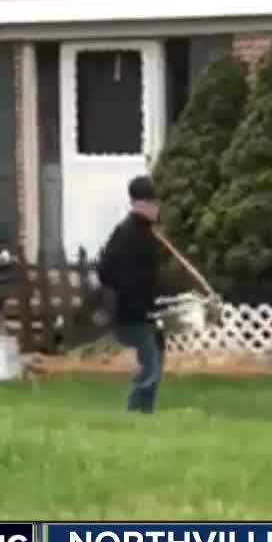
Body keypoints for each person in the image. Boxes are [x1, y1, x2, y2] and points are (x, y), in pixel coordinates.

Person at [96, 175, 168, 414]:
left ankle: (145, 413)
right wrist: (129, 291)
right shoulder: (127, 233)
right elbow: (105, 268)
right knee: (150, 367)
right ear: (141, 204)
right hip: (133, 310)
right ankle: (132, 411)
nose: (158, 209)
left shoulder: (149, 234)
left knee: (156, 360)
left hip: (150, 309)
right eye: (153, 203)